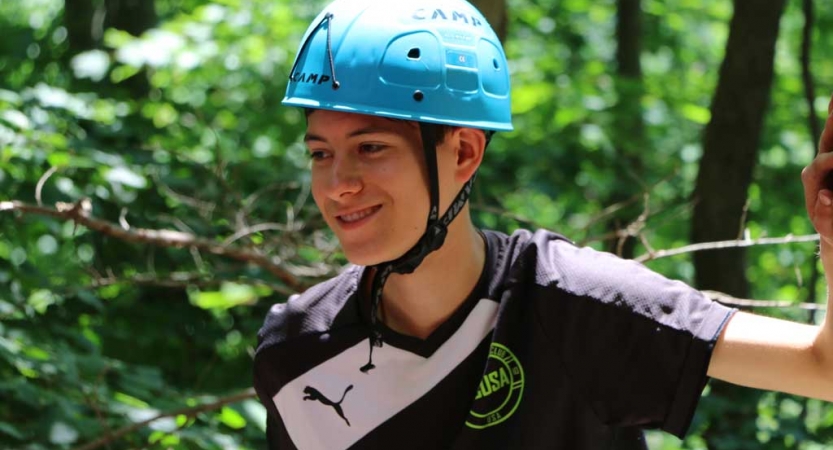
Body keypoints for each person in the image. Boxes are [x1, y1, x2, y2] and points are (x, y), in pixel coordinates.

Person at [253, 0, 833, 448]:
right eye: (320, 153)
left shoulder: (579, 305)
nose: (337, 184)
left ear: (462, 154)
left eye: (371, 147)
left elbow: (821, 369)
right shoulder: (296, 351)